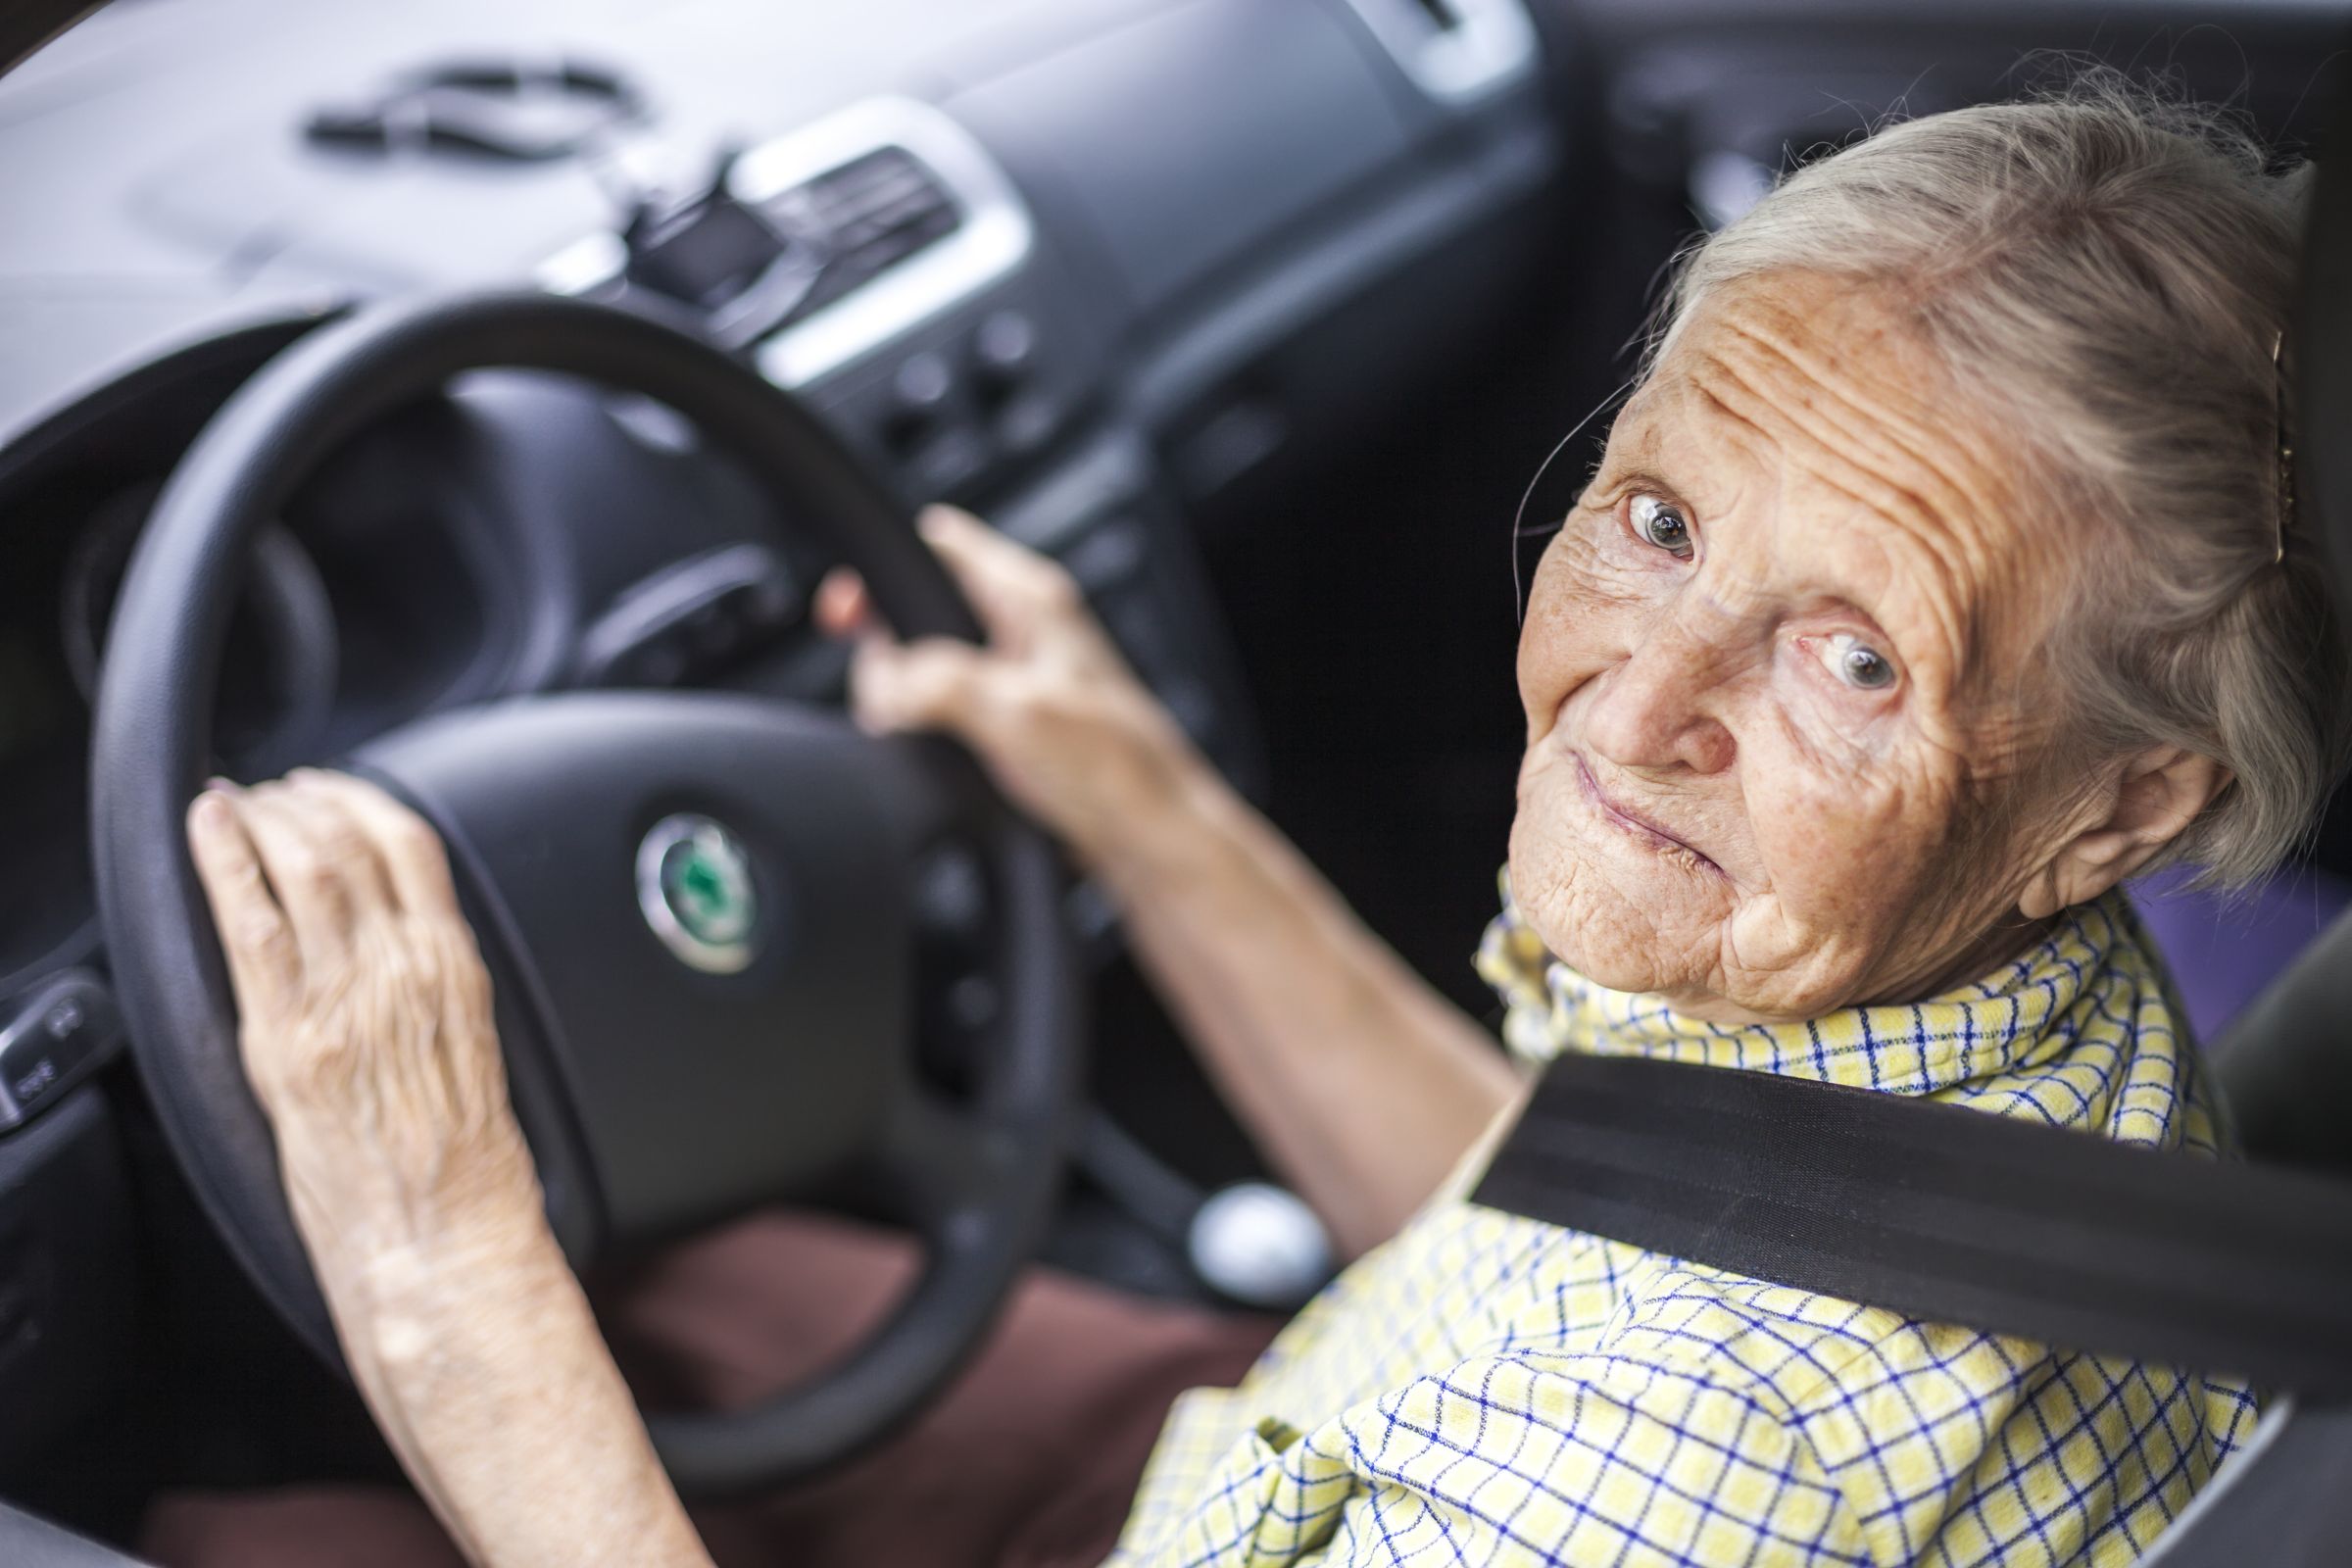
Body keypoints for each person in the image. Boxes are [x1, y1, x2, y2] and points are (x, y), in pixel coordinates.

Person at [144, 78, 2349, 1568]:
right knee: (703, 1278)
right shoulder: (1984, 1038)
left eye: (1855, 657)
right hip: (1327, 1428)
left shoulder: (1655, 1470)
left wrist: (443, 1257)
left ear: (2125, 803)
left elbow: (1636, 1412)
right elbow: (1570, 1195)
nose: (1644, 702)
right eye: (1659, 515)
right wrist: (1129, 790)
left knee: (239, 1519)